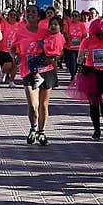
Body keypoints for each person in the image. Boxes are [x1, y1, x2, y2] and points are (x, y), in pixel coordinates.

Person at [15, 8, 61, 145]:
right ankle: (33, 128)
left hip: (46, 71)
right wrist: (16, 57)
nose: (30, 14)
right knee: (33, 106)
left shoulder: (46, 31)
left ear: (39, 16)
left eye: (33, 12)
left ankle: (41, 132)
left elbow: (58, 45)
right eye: (28, 12)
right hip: (28, 71)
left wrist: (54, 58)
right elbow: (13, 49)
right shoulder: (20, 31)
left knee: (43, 106)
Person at [79, 13, 103, 138]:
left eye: (102, 34)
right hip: (92, 73)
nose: (100, 36)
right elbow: (79, 59)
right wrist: (83, 56)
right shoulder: (87, 41)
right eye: (97, 34)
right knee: (94, 104)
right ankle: (96, 129)